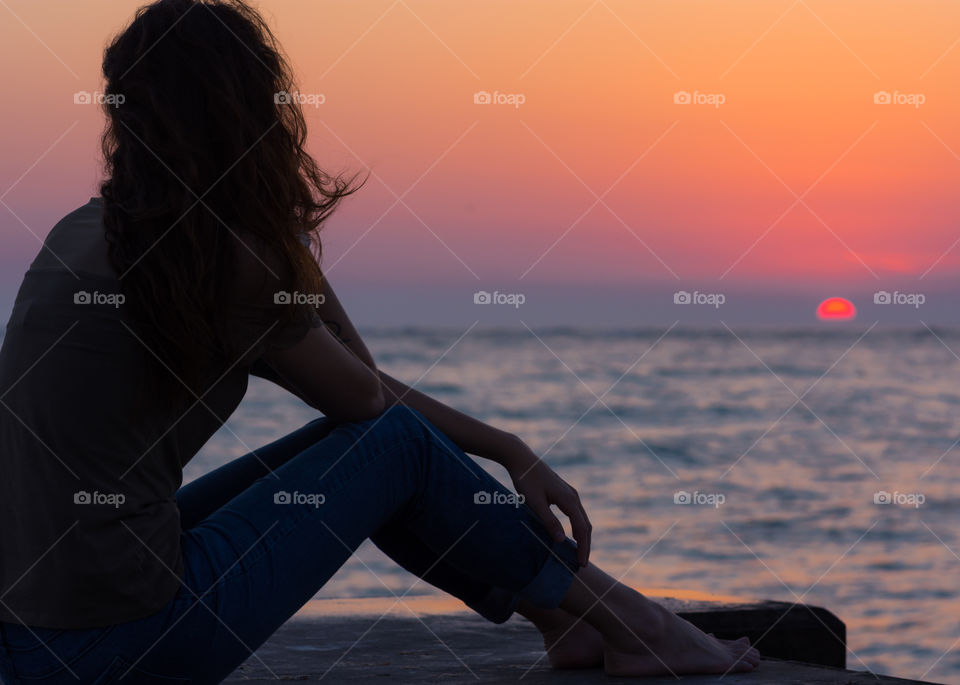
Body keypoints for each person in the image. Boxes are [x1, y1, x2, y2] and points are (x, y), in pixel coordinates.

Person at [0, 1, 760, 682]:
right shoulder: (220, 260)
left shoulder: (94, 234)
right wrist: (282, 241)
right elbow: (370, 398)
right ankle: (640, 627)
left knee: (342, 443)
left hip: (29, 637)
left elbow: (353, 401)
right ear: (254, 114)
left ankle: (563, 620)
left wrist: (505, 443)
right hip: (118, 647)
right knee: (386, 443)